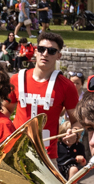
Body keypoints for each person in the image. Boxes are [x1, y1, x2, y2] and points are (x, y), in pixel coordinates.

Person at [6, 31, 81, 164]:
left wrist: (74, 133)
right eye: (41, 49)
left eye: (51, 51)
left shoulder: (67, 86)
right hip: (15, 150)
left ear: (59, 56)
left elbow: (77, 121)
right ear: (35, 51)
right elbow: (5, 110)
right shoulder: (16, 79)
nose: (45, 54)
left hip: (47, 156)